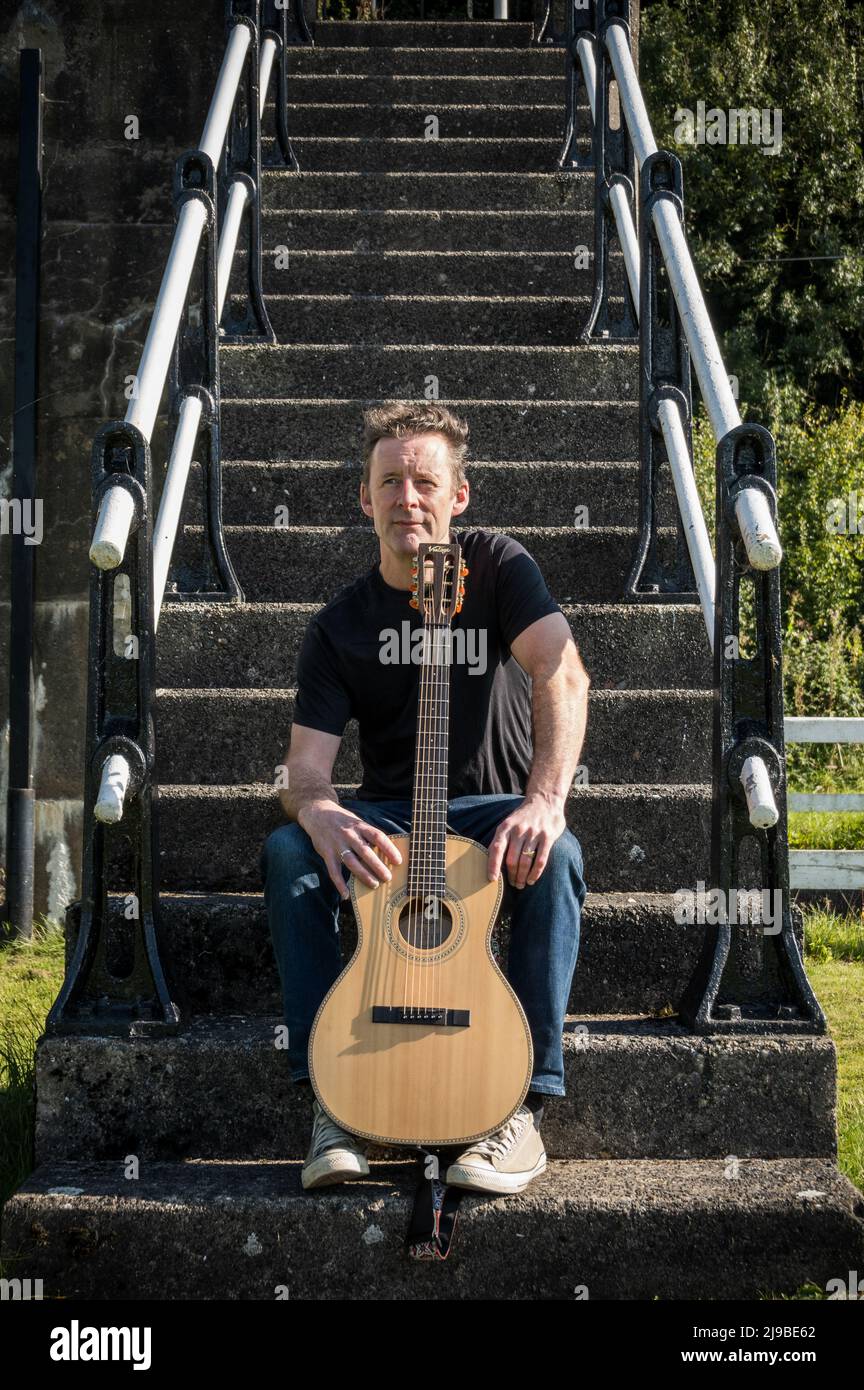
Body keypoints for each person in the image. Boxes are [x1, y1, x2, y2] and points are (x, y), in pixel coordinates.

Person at [259, 401, 590, 1195]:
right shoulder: (339, 626)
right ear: (364, 499)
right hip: (390, 815)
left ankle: (522, 1106)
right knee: (288, 853)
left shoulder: (499, 566)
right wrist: (320, 811)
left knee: (558, 857)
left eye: (425, 483)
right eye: (389, 482)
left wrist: (546, 800)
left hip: (493, 806)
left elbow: (561, 668)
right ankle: (332, 1105)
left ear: (459, 496)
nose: (407, 499)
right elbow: (303, 771)